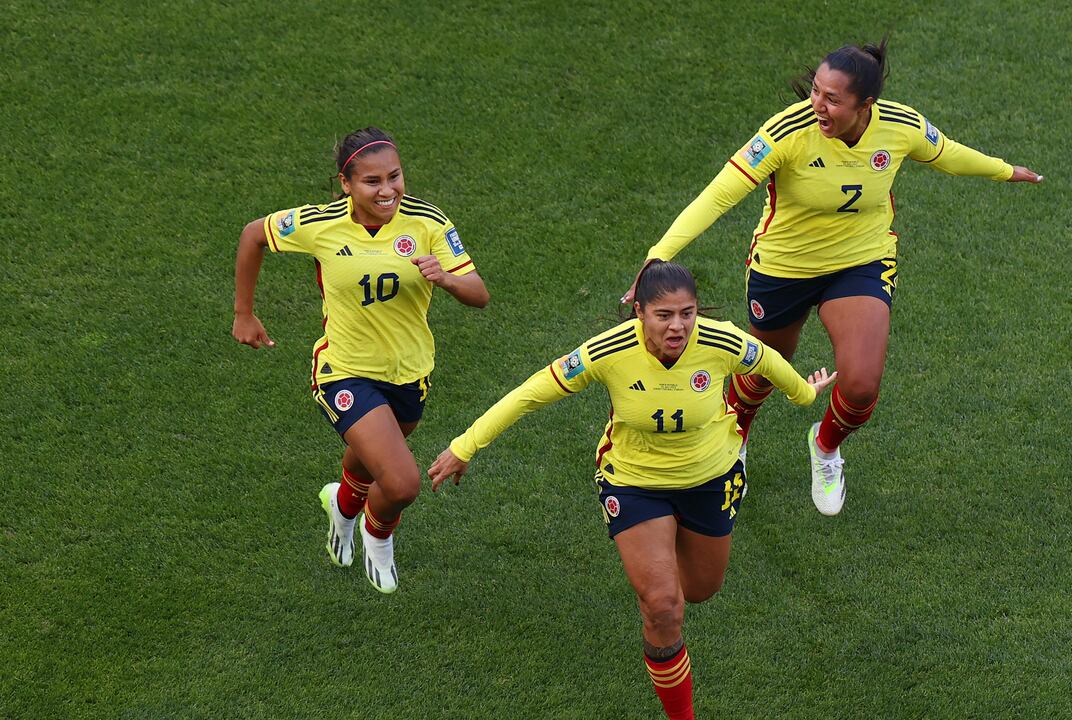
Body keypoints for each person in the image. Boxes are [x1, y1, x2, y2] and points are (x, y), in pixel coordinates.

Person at [623, 39, 1042, 516]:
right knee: (766, 365)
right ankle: (733, 434)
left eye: (831, 99)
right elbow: (720, 194)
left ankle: (824, 449)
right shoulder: (788, 130)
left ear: (866, 105)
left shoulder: (899, 126)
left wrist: (1005, 171)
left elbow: (947, 152)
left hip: (860, 262)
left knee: (861, 385)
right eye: (816, 92)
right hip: (784, 266)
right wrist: (658, 256)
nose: (816, 105)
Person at [428, 261, 834, 720]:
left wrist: (804, 393)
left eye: (687, 313)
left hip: (712, 477)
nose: (678, 325)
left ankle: (661, 561)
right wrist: (466, 445)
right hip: (635, 482)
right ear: (639, 312)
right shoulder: (609, 351)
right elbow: (533, 391)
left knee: (700, 589)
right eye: (664, 315)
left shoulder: (721, 340)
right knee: (663, 606)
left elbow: (766, 359)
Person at [233, 127, 489, 594]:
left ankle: (343, 506)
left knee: (370, 464)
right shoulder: (319, 224)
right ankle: (377, 532)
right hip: (343, 371)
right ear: (346, 183)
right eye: (372, 181)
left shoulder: (428, 223)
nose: (387, 190)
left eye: (395, 176)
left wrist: (448, 281)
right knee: (403, 483)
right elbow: (253, 236)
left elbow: (479, 294)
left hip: (411, 373)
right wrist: (243, 313)